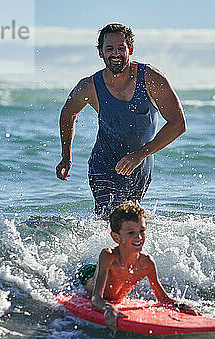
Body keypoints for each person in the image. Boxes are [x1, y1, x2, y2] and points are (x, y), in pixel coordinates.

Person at [56, 23, 187, 218]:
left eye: (121, 48)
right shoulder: (89, 86)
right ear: (100, 53)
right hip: (103, 165)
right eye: (109, 49)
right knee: (109, 217)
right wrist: (66, 156)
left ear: (130, 49)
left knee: (128, 225)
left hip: (140, 169)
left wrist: (140, 155)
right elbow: (67, 115)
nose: (115, 53)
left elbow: (178, 123)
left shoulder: (151, 79)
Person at [77, 202, 198, 330]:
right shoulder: (108, 256)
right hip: (87, 274)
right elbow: (96, 299)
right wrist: (107, 307)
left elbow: (163, 299)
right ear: (116, 237)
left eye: (142, 231)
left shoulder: (146, 264)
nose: (138, 237)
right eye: (130, 232)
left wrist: (179, 306)